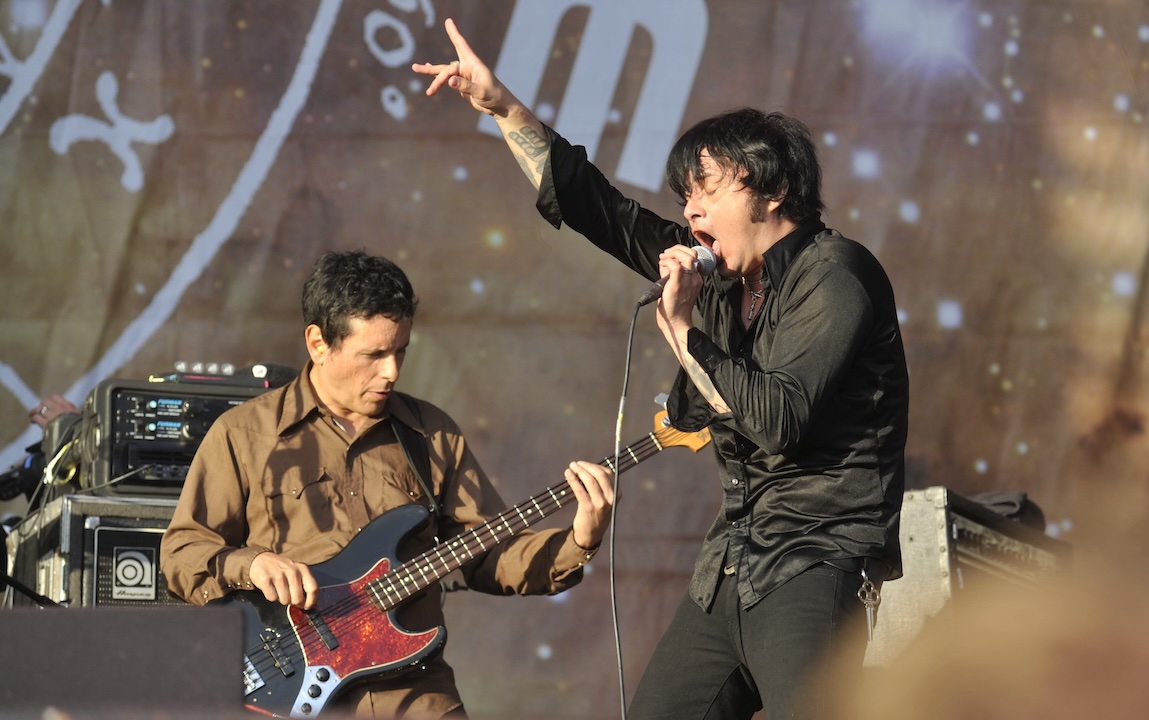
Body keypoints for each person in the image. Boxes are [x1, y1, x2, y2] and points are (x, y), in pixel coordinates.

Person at [413, 19, 909, 720]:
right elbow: (602, 211)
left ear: (772, 192)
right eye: (684, 196)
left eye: (706, 188)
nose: (691, 209)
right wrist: (502, 108)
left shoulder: (838, 274)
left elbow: (778, 419)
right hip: (733, 562)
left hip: (816, 564)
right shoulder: (726, 280)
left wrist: (679, 329)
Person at [160, 250, 616, 719]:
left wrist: (581, 539)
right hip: (290, 691)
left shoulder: (430, 433)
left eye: (400, 351)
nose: (392, 372)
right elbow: (181, 553)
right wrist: (251, 564)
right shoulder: (245, 434)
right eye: (373, 355)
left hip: (414, 694)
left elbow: (490, 556)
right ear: (318, 343)